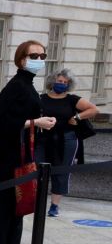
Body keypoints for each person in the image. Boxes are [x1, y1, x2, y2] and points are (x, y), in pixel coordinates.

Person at [0, 40, 56, 244]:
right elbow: (4, 123)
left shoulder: (28, 85)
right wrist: (36, 122)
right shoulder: (15, 86)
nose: (39, 60)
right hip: (6, 156)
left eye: (42, 56)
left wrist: (42, 122)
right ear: (21, 58)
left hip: (23, 153)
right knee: (4, 205)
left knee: (19, 203)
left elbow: (27, 117)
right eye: (33, 55)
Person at [36, 68, 99, 217]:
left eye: (65, 82)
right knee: (37, 169)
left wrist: (77, 117)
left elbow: (93, 109)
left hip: (66, 140)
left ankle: (54, 206)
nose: (62, 84)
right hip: (44, 139)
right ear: (53, 81)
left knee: (61, 172)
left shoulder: (72, 99)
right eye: (59, 81)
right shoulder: (41, 98)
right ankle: (37, 201)